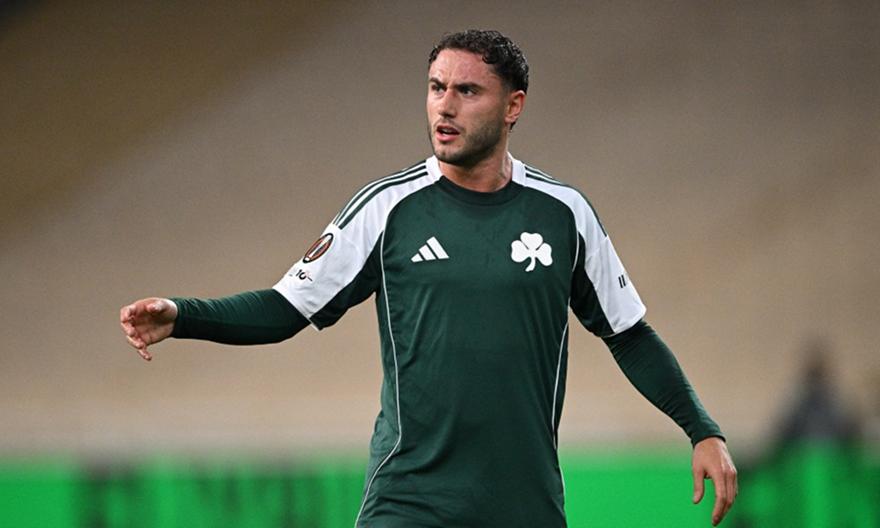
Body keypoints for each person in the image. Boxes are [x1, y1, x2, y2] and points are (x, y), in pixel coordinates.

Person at [120, 29, 737, 527]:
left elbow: (628, 334)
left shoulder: (563, 214)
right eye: (437, 87)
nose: (445, 105)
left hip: (523, 505)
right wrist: (185, 315)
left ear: (513, 106)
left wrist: (701, 430)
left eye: (468, 90)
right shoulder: (387, 209)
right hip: (409, 501)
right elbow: (286, 308)